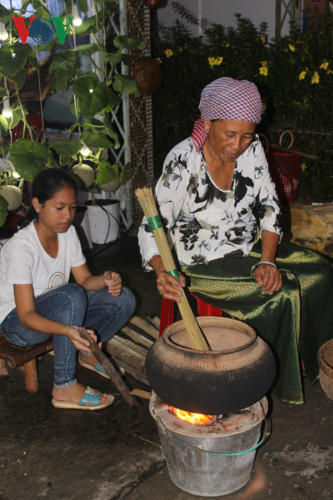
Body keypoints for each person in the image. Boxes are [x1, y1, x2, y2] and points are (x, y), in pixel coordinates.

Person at [138, 76, 333, 405]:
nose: (238, 144)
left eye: (246, 135)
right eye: (230, 134)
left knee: (321, 272)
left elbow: (270, 206)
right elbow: (152, 223)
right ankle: (270, 379)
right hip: (198, 261)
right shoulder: (183, 160)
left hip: (248, 245)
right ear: (208, 123)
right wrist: (161, 271)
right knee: (280, 293)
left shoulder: (252, 149)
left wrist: (268, 260)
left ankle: (314, 363)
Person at [0, 168, 136, 410]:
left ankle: (85, 353)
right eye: (59, 207)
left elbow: (84, 281)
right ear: (37, 204)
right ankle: (64, 385)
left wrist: (105, 279)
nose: (67, 216)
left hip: (59, 310)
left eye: (72, 208)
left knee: (123, 299)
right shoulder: (21, 247)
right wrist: (67, 330)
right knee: (70, 296)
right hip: (18, 326)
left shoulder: (68, 232)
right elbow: (26, 315)